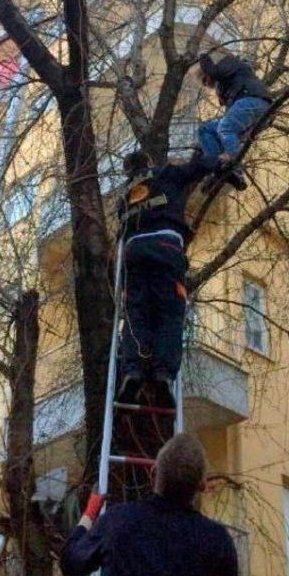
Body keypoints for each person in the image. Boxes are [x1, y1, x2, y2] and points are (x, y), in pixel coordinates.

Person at [60, 433, 240, 576]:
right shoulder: (218, 541)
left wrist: (89, 514)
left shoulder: (118, 521)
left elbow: (70, 563)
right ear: (203, 485)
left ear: (153, 472)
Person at [117, 149, 219, 407]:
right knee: (169, 311)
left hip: (133, 253)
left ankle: (133, 371)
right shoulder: (166, 173)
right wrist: (221, 161)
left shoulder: (124, 196)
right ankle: (163, 374)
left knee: (136, 312)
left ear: (128, 171)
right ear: (149, 162)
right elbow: (197, 167)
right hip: (166, 246)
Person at [197, 51, 272, 190]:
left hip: (254, 102)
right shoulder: (225, 87)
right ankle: (217, 168)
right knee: (206, 130)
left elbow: (214, 72)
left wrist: (202, 57)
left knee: (225, 128)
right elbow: (230, 122)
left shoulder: (230, 63)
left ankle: (235, 169)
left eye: (204, 80)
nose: (206, 84)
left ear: (206, 72)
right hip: (248, 111)